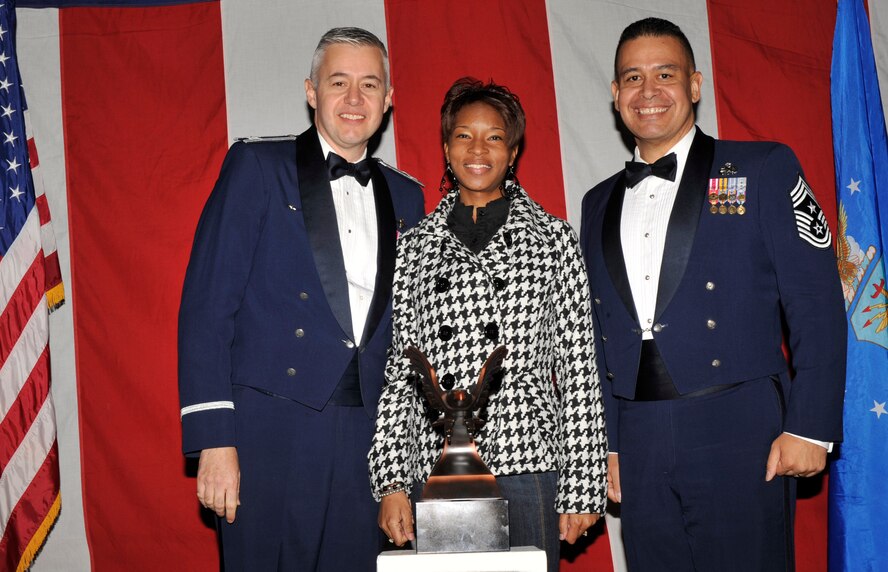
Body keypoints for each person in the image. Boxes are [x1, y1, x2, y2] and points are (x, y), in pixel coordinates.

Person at [579, 17, 846, 571]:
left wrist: (810, 426)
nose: (648, 91)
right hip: (641, 433)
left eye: (665, 74)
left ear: (695, 86)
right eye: (632, 77)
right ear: (614, 94)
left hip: (740, 426)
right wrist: (609, 444)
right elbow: (598, 338)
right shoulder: (597, 202)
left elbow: (816, 304)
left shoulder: (762, 168)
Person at [177, 27, 425, 571]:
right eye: (339, 83)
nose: (354, 100)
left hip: (368, 437)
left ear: (388, 100)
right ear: (311, 91)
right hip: (271, 430)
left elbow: (410, 336)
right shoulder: (258, 167)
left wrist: (401, 466)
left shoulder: (409, 195)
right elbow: (206, 308)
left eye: (369, 85)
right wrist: (214, 440)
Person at [369, 78, 607, 572]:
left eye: (494, 137)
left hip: (528, 464)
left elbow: (580, 367)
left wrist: (583, 483)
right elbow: (400, 372)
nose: (478, 149)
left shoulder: (554, 240)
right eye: (463, 135)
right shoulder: (414, 247)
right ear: (445, 147)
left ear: (514, 149)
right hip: (434, 465)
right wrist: (391, 481)